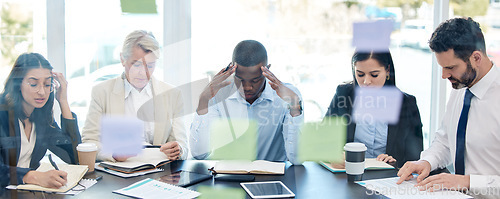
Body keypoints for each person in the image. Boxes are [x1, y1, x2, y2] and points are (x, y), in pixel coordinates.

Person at [397, 17, 500, 195]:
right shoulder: (461, 86)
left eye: (450, 67)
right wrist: (426, 162)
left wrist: (466, 181)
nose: (444, 75)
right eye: (442, 68)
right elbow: (445, 142)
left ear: (476, 58)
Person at [190, 40, 303, 164]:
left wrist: (295, 107)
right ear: (232, 71)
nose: (247, 87)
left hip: (272, 178)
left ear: (267, 69)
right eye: (240, 80)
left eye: (255, 80)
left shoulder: (287, 95)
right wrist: (203, 102)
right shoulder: (217, 94)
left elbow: (296, 159)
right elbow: (199, 155)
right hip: (225, 178)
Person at [82, 30, 188, 162]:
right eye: (136, 64)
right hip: (118, 172)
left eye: (150, 65)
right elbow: (89, 142)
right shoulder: (102, 92)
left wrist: (177, 150)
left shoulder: (172, 94)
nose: (143, 73)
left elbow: (182, 145)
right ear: (122, 59)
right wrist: (112, 154)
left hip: (159, 170)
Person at [325, 49, 423, 168]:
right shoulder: (343, 94)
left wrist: (395, 164)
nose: (366, 82)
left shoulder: (407, 103)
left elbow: (415, 158)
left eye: (374, 75)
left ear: (387, 70)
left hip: (387, 178)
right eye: (360, 74)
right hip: (347, 174)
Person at [0, 53, 81, 189]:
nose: (42, 92)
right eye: (33, 84)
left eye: (47, 84)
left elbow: (74, 156)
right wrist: (33, 176)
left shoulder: (41, 117)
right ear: (17, 83)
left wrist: (63, 101)